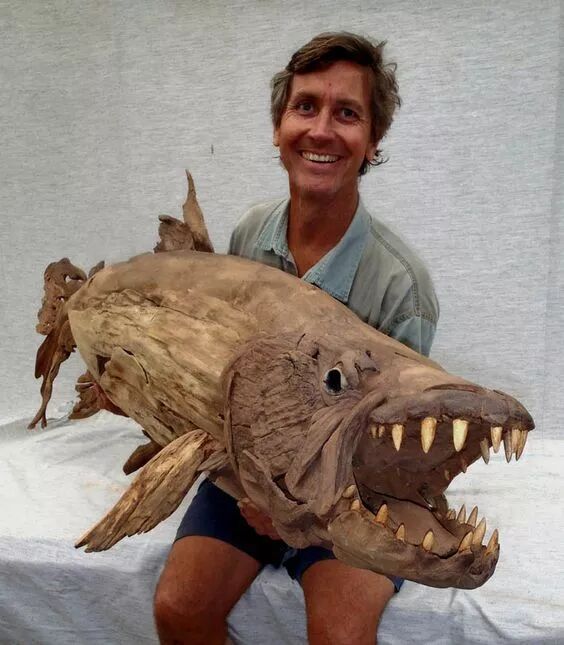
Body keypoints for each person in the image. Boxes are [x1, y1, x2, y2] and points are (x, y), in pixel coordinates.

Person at [154, 32, 439, 645]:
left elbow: (398, 454)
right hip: (248, 477)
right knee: (178, 610)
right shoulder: (250, 235)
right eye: (305, 107)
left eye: (347, 113)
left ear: (373, 141)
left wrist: (300, 513)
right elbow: (227, 378)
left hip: (353, 501)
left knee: (340, 637)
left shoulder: (402, 287)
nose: (321, 130)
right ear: (279, 127)